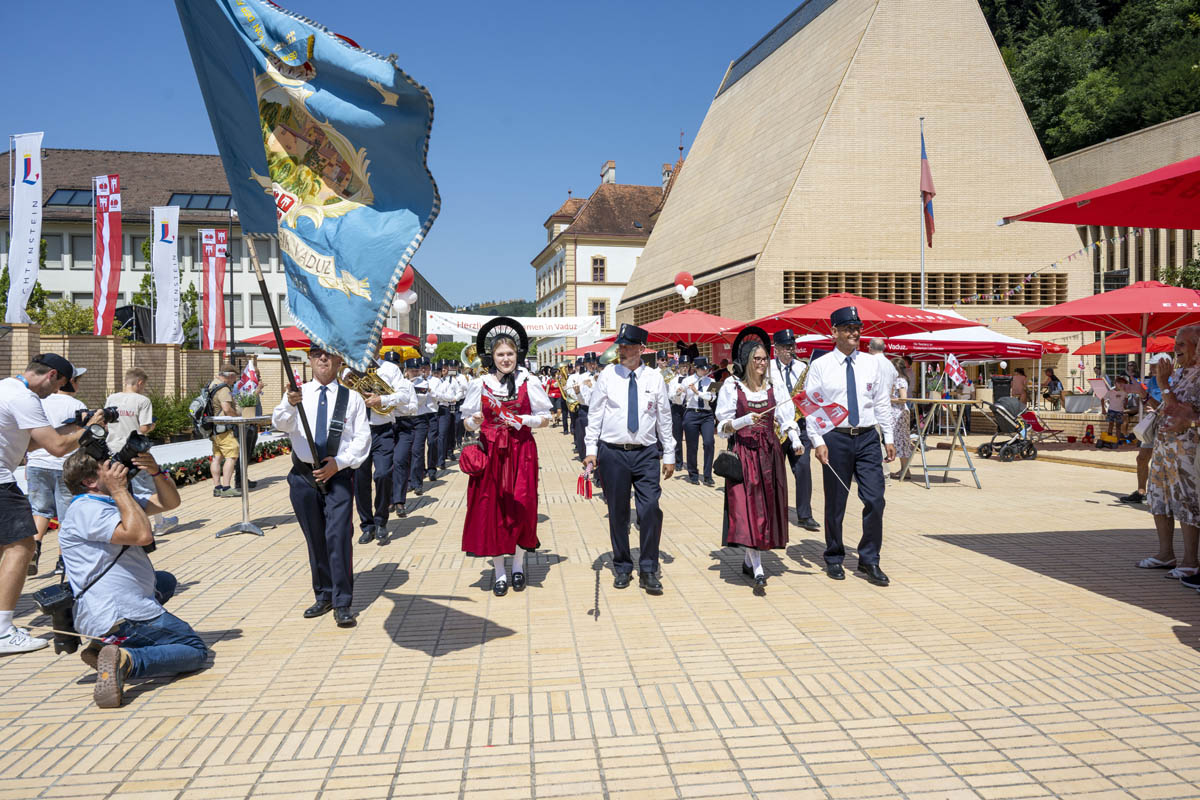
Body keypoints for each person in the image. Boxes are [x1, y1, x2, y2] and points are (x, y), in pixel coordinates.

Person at [59, 447, 206, 708]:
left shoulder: (105, 500)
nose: (117, 468)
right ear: (90, 481)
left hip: (109, 603)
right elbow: (141, 536)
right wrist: (119, 490)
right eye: (108, 466)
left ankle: (105, 645)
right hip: (119, 611)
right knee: (194, 650)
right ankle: (126, 660)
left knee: (165, 581)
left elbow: (169, 503)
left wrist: (155, 471)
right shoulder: (87, 510)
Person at [0, 353, 108, 655]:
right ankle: (3, 630)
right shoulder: (25, 397)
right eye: (60, 384)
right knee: (21, 547)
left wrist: (74, 427)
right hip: (0, 480)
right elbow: (57, 448)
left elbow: (30, 442)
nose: (56, 392)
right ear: (51, 376)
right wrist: (92, 429)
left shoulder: (5, 388)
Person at [272, 344, 370, 627]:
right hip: (304, 477)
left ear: (340, 359)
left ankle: (342, 602)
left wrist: (338, 464)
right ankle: (324, 594)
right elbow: (280, 423)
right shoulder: (296, 393)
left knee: (338, 537)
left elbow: (362, 440)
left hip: (337, 475)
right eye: (316, 354)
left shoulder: (351, 398)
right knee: (315, 539)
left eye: (328, 354)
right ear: (310, 360)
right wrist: (290, 404)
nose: (323, 358)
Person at [461, 318, 552, 595]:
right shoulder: (481, 384)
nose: (505, 359)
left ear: (517, 355)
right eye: (500, 354)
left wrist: (524, 420)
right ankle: (499, 571)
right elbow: (466, 423)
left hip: (522, 452)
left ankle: (518, 566)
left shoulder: (529, 381)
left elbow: (546, 418)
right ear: (492, 356)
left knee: (522, 508)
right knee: (493, 511)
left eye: (510, 354)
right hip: (492, 455)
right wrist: (475, 420)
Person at [806, 307, 895, 586]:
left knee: (875, 499)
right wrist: (818, 441)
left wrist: (888, 436)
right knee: (835, 503)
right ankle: (834, 556)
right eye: (847, 328)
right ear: (834, 332)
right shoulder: (821, 366)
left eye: (857, 327)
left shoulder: (872, 363)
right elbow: (812, 406)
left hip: (868, 437)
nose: (854, 333)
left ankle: (869, 559)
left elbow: (881, 402)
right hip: (835, 438)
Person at [584, 324, 675, 594]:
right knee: (618, 513)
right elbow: (595, 415)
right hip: (612, 453)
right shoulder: (607, 376)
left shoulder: (654, 378)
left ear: (641, 349)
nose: (620, 350)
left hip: (646, 453)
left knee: (649, 511)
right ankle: (622, 566)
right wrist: (591, 449)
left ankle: (648, 568)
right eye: (620, 345)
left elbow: (664, 418)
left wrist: (668, 453)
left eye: (626, 346)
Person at [717, 328, 800, 588]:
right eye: (757, 359)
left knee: (764, 507)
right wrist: (741, 421)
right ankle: (759, 567)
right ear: (747, 361)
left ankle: (749, 559)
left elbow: (788, 416)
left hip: (769, 455)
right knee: (748, 507)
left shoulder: (775, 387)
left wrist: (795, 440)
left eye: (765, 359)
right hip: (744, 455)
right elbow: (722, 426)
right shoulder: (733, 387)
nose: (762, 364)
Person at [1142, 327, 1200, 584]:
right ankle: (1165, 553)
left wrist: (1164, 385)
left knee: (1186, 501)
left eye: (1183, 344)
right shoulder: (1179, 374)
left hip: (1186, 449)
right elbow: (1168, 406)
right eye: (1175, 343)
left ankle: (1190, 561)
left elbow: (1184, 411)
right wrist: (1149, 395)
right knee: (1159, 496)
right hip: (1164, 446)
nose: (1176, 348)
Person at [25, 365, 87, 576]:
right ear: (72, 382)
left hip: (36, 464)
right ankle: (63, 560)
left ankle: (34, 549)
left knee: (39, 510)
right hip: (64, 465)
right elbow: (81, 436)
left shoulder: (38, 401)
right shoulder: (77, 405)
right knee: (66, 515)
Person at [107, 367, 176, 533]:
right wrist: (152, 426)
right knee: (148, 486)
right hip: (134, 449)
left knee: (122, 487)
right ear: (139, 382)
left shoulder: (112, 398)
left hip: (112, 448)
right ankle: (158, 524)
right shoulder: (142, 401)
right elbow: (143, 428)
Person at [354, 349, 413, 544]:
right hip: (358, 431)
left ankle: (381, 520)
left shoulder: (389, 369)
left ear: (379, 345)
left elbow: (404, 395)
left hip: (383, 429)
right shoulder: (349, 369)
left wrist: (382, 399)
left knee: (382, 474)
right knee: (360, 480)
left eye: (372, 342)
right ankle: (367, 525)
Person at [769, 329, 819, 531]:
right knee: (774, 471)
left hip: (800, 425)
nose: (791, 351)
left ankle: (805, 515)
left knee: (804, 468)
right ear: (777, 349)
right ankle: (773, 513)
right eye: (787, 347)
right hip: (777, 426)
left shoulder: (802, 367)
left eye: (793, 347)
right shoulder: (768, 368)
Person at [1121, 355, 1167, 505]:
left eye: (1154, 366)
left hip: (1165, 425)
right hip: (1152, 422)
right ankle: (1141, 492)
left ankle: (1161, 494)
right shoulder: (1153, 381)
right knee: (1142, 458)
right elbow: (1151, 401)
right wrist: (1144, 398)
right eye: (1151, 365)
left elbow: (1165, 406)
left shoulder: (1171, 382)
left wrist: (1146, 398)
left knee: (1161, 462)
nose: (1151, 369)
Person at [390, 357, 423, 517]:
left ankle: (399, 501)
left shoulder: (408, 385)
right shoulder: (383, 385)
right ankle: (388, 497)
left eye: (396, 366)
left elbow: (414, 408)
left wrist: (397, 406)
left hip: (405, 425)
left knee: (400, 461)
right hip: (388, 425)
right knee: (387, 464)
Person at [206, 363, 241, 497]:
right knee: (231, 456)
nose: (234, 382)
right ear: (230, 376)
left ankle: (217, 487)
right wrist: (237, 415)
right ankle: (226, 488)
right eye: (234, 379)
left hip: (213, 427)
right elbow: (226, 408)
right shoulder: (224, 388)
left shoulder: (212, 384)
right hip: (224, 428)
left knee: (217, 457)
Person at [682, 356, 717, 486]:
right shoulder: (687, 381)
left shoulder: (712, 381)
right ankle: (693, 474)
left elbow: (711, 398)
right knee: (692, 445)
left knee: (709, 442)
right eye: (703, 369)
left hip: (707, 414)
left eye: (707, 368)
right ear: (696, 368)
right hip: (691, 413)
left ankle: (707, 475)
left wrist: (697, 392)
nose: (705, 371)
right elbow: (679, 400)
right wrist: (679, 393)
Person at [409, 356, 436, 496]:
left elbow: (417, 401)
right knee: (405, 453)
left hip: (420, 419)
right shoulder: (401, 382)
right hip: (405, 419)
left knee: (417, 451)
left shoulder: (423, 383)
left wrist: (404, 392)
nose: (414, 372)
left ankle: (417, 482)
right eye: (411, 370)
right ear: (406, 370)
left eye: (416, 370)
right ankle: (408, 481)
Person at [889, 356, 914, 479]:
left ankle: (905, 470)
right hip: (896, 413)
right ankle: (905, 469)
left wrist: (890, 399)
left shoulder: (900, 380)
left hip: (899, 413)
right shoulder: (899, 379)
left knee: (901, 442)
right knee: (900, 442)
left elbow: (903, 398)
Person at [667, 354, 691, 468]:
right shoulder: (674, 381)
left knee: (691, 437)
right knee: (677, 436)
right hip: (677, 408)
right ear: (679, 367)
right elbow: (670, 396)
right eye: (683, 366)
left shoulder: (693, 380)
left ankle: (691, 462)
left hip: (689, 409)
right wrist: (677, 393)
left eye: (687, 366)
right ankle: (678, 461)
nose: (685, 368)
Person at [1105, 375, 1130, 440]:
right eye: (1119, 382)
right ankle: (1109, 438)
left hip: (1120, 411)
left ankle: (1117, 440)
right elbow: (1103, 399)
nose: (1121, 384)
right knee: (1111, 425)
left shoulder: (1124, 392)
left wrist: (1125, 405)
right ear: (1115, 383)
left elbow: (1126, 398)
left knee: (1118, 426)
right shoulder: (1110, 392)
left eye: (1122, 383)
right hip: (1111, 410)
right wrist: (1103, 409)